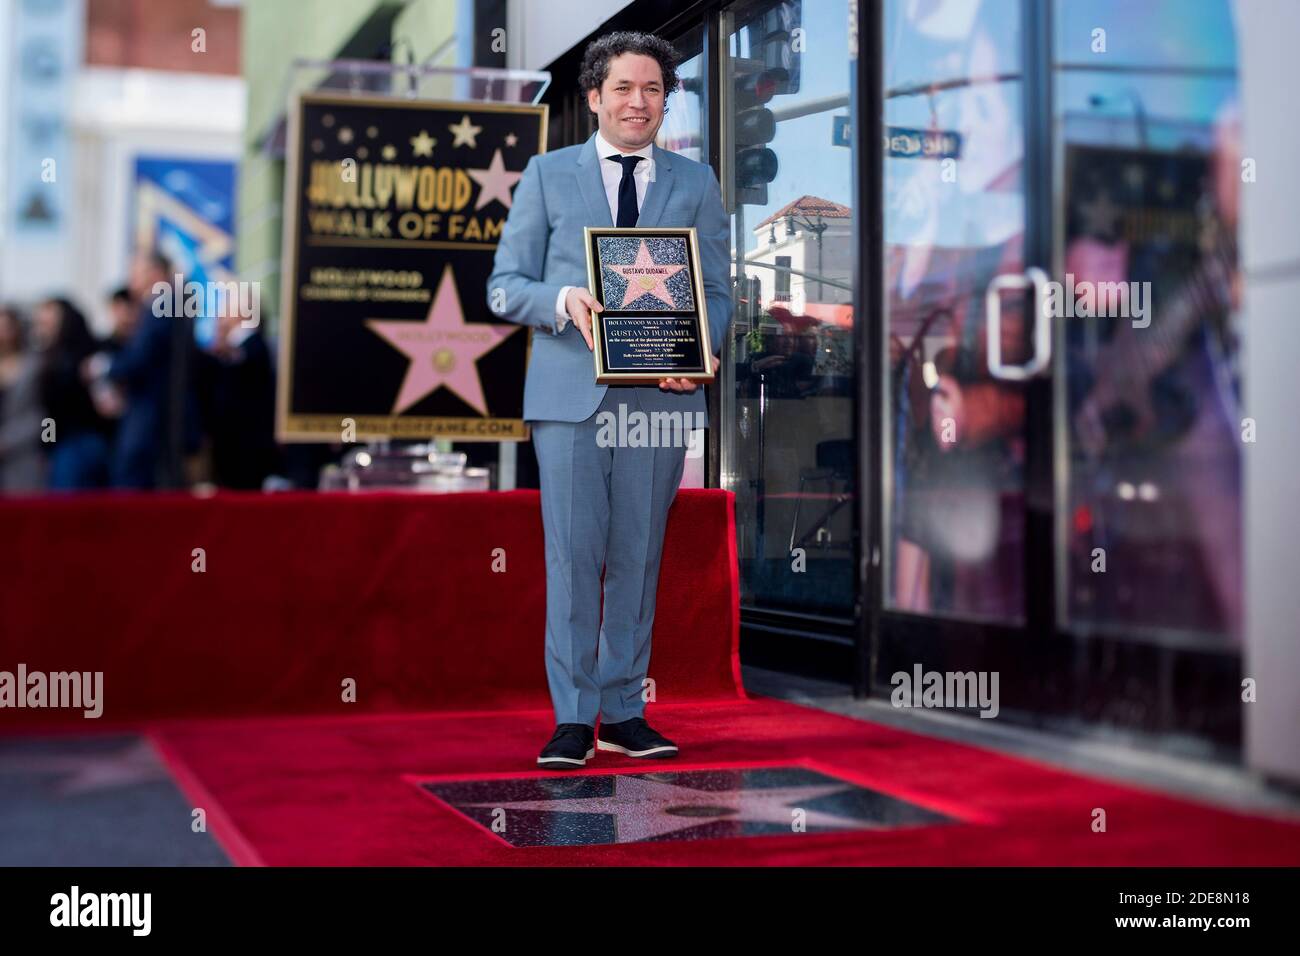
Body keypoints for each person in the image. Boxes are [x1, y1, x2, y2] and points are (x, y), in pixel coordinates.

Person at [487, 31, 732, 768]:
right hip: (568, 402)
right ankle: (572, 718)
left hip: (659, 399)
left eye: (653, 89)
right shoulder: (546, 174)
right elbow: (505, 287)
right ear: (594, 98)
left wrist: (701, 350)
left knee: (638, 556)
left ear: (666, 101)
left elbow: (716, 291)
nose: (639, 101)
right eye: (624, 88)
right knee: (572, 557)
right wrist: (563, 299)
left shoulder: (697, 182)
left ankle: (625, 711)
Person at [106, 252, 198, 489]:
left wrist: (108, 367)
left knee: (136, 489)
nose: (131, 281)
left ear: (155, 274)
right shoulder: (172, 305)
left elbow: (139, 359)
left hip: (152, 418)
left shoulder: (161, 306)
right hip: (158, 419)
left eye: (136, 274)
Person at [31, 298, 111, 490]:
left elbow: (50, 415)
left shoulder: (57, 364)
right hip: (93, 442)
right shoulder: (92, 352)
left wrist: (47, 445)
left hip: (72, 445)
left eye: (47, 323)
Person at [0, 306, 47, 493]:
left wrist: (7, 440)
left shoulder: (35, 366)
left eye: (6, 328)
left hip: (25, 455)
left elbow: (46, 417)